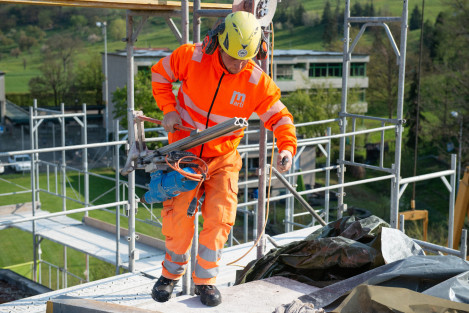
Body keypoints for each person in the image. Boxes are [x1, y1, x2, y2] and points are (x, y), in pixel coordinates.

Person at [149, 11, 297, 307]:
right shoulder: (191, 57)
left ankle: (206, 281)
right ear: (219, 43)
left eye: (246, 58)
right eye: (233, 58)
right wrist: (168, 109)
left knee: (219, 219)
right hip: (185, 154)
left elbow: (280, 117)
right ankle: (170, 275)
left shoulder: (255, 80)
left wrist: (286, 148)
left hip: (223, 158)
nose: (239, 64)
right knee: (178, 219)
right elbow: (159, 75)